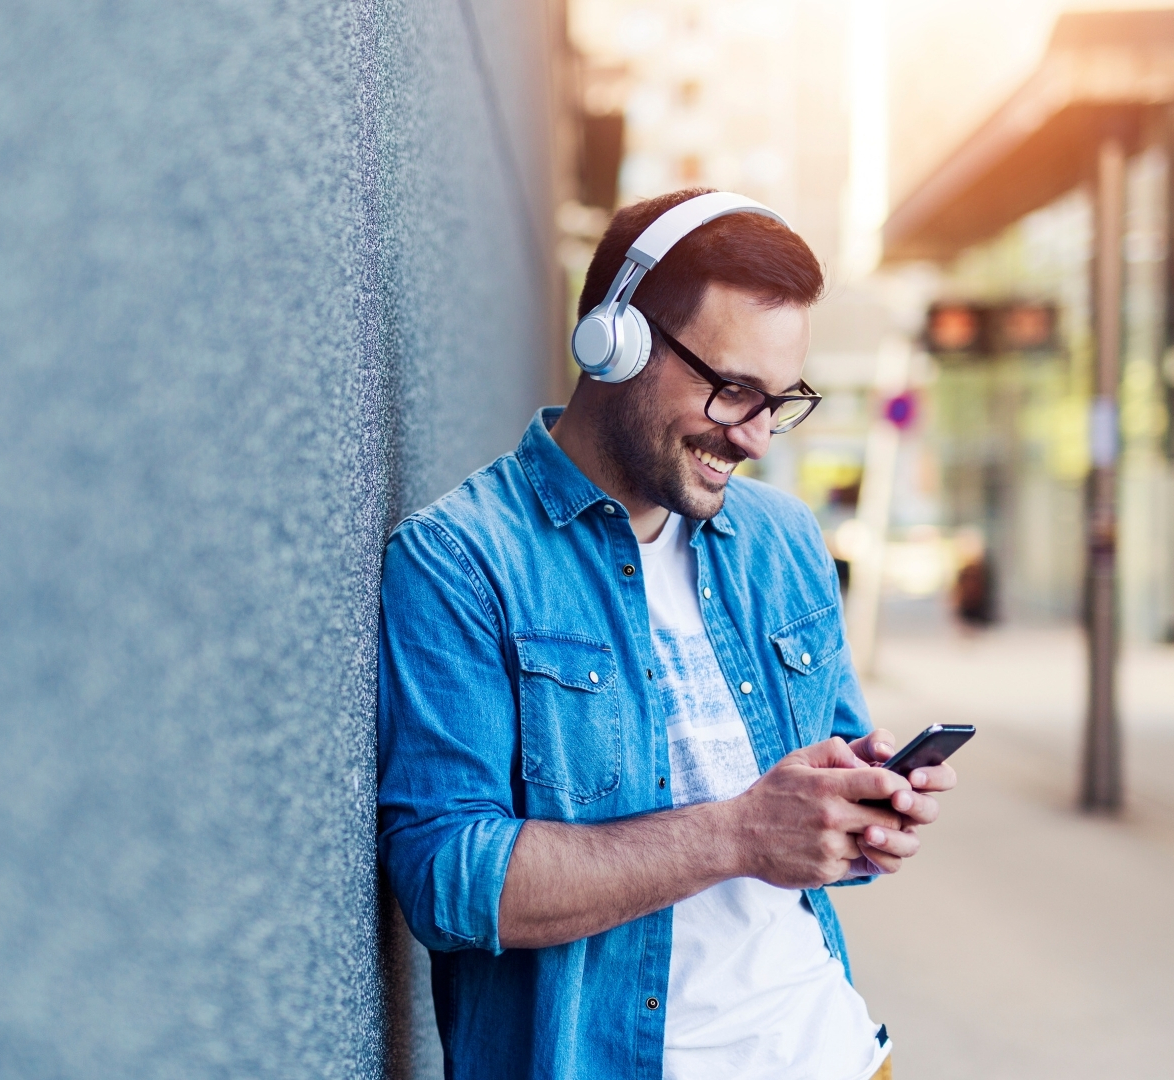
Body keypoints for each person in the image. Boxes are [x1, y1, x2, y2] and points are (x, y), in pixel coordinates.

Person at [376, 188, 957, 1080]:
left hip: (837, 1052)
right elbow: (450, 882)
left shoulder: (783, 542)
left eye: (780, 400)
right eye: (732, 392)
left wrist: (860, 822)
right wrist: (736, 835)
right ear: (616, 340)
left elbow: (821, 825)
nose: (757, 437)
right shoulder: (462, 560)